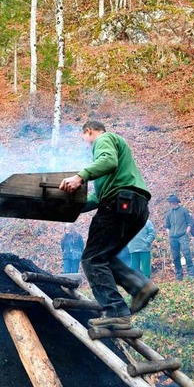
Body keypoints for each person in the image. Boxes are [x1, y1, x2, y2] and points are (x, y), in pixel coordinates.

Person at [59, 120, 158, 331]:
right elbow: (96, 197)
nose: (87, 144)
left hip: (119, 203)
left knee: (92, 258)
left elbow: (108, 161)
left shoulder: (104, 140)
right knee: (105, 257)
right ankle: (141, 286)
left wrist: (80, 176)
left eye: (85, 139)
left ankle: (115, 311)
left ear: (89, 132)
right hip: (135, 206)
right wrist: (69, 209)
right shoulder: (113, 169)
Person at [165, 195, 194, 280]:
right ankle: (179, 276)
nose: (171, 204)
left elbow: (190, 223)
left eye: (172, 202)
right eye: (170, 202)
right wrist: (169, 234)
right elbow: (167, 226)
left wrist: (186, 232)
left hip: (182, 236)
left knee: (187, 255)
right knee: (175, 257)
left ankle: (191, 275)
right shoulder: (169, 213)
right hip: (173, 238)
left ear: (176, 202)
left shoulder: (184, 211)